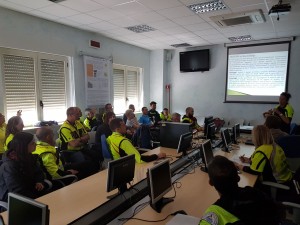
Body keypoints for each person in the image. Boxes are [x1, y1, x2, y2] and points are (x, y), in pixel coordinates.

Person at [200, 155, 284, 225]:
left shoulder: (214, 212)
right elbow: (279, 211)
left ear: (210, 183)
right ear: (238, 178)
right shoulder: (254, 192)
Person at [0, 132, 50, 202]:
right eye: (32, 143)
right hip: (14, 200)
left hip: (30, 192)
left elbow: (39, 172)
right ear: (23, 146)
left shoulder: (29, 156)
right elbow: (17, 191)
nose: (35, 144)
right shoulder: (9, 165)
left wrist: (39, 181)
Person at [59, 107, 100, 171]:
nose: (80, 116)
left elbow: (87, 136)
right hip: (70, 152)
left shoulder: (78, 123)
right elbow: (74, 144)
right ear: (70, 115)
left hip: (81, 148)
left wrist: (79, 139)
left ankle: (98, 173)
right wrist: (82, 140)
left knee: (96, 155)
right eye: (77, 114)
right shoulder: (65, 128)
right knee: (86, 161)